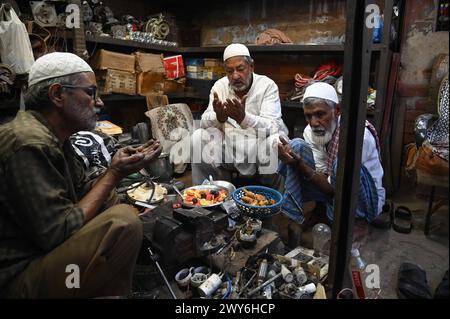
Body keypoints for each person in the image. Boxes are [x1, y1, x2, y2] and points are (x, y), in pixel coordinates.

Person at [0, 52, 162, 298]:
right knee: (123, 222)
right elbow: (56, 232)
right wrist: (114, 174)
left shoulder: (55, 136)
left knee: (111, 202)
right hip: (19, 276)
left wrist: (118, 168)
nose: (100, 103)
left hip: (42, 256)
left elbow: (83, 190)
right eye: (90, 93)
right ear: (57, 95)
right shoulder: (29, 142)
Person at [274, 82, 385, 245]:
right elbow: (322, 175)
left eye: (320, 114)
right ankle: (302, 215)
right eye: (308, 115)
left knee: (341, 162)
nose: (313, 122)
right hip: (331, 184)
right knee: (296, 146)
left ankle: (356, 221)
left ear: (337, 111)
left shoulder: (359, 136)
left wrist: (301, 166)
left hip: (364, 197)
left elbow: (334, 187)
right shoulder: (310, 132)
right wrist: (295, 160)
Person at [191, 43, 288, 185]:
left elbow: (272, 126)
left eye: (240, 69)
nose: (235, 76)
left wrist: (244, 118)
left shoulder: (267, 86)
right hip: (230, 147)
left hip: (258, 149)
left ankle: (270, 195)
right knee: (198, 137)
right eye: (230, 71)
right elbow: (204, 121)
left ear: (251, 67)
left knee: (275, 141)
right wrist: (219, 117)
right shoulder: (220, 86)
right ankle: (212, 193)